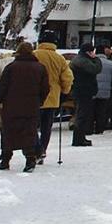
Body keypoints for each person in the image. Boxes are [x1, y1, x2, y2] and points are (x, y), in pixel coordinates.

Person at [0, 42, 49, 172]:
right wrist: (39, 101)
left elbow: (2, 87)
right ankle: (30, 160)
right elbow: (45, 88)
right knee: (29, 133)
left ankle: (5, 160)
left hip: (11, 107)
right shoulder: (40, 68)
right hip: (31, 107)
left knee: (8, 132)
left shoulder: (11, 67)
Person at [33, 31, 72, 164]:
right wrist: (65, 92)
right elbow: (67, 78)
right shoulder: (59, 59)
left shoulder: (34, 55)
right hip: (53, 98)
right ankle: (42, 149)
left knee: (32, 126)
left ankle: (36, 149)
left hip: (35, 98)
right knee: (46, 127)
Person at [68, 42, 101, 147]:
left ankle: (80, 137)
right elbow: (96, 69)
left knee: (81, 114)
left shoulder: (78, 59)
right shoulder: (83, 61)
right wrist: (96, 59)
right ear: (88, 52)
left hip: (80, 91)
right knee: (82, 115)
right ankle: (78, 139)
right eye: (92, 51)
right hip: (83, 91)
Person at [92, 45, 112, 135]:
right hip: (105, 92)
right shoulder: (111, 64)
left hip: (92, 91)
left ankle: (89, 128)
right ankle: (100, 129)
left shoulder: (91, 62)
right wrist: (110, 87)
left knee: (91, 110)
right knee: (102, 111)